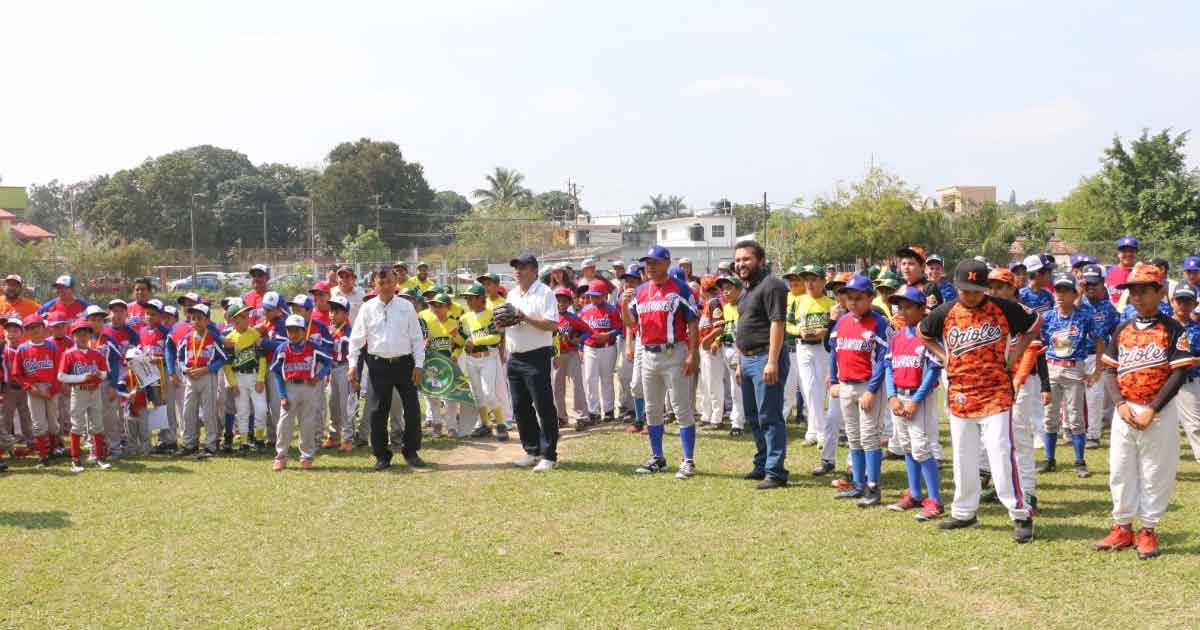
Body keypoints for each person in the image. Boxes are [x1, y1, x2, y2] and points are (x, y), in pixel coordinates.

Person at [919, 258, 1037, 543]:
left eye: (976, 290)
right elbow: (924, 333)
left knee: (1000, 452)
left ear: (985, 288)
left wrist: (1015, 355)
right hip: (961, 393)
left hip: (996, 392)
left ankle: (1020, 514)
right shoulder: (945, 311)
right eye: (965, 290)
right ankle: (964, 512)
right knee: (963, 455)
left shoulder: (1004, 308)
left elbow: (1034, 324)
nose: (970, 296)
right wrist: (945, 358)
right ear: (956, 286)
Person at [1092, 264, 1192, 559]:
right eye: (1132, 291)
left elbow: (1178, 374)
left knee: (1155, 471)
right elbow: (1110, 371)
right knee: (1120, 469)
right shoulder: (1123, 328)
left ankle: (1148, 529)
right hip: (1126, 409)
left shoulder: (1173, 329)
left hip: (1158, 411)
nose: (1137, 296)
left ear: (1160, 293)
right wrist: (1120, 404)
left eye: (1144, 291)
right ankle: (1122, 527)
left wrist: (1153, 409)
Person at [621, 245, 699, 479]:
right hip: (648, 354)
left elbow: (692, 322)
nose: (650, 266)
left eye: (655, 262)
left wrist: (693, 353)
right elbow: (631, 323)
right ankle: (658, 458)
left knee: (681, 407)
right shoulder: (640, 291)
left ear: (667, 263)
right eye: (648, 262)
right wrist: (624, 305)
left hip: (674, 352)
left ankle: (688, 460)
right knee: (652, 408)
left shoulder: (681, 288)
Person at [347, 268, 426, 471]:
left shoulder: (406, 307)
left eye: (390, 282)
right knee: (377, 412)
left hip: (404, 364)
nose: (386, 286)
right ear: (374, 284)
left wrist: (419, 365)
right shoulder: (367, 308)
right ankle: (381, 455)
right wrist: (352, 365)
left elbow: (417, 338)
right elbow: (356, 339)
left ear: (396, 282)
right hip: (378, 365)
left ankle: (411, 452)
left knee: (412, 409)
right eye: (381, 283)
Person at [732, 240, 790, 489]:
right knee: (753, 417)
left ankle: (775, 472)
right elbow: (743, 327)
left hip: (765, 358)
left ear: (761, 261)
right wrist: (739, 363)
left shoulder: (772, 285)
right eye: (737, 260)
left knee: (769, 416)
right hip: (747, 360)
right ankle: (762, 463)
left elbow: (778, 323)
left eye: (746, 259)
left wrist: (772, 361)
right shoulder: (746, 290)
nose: (741, 264)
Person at [828, 275, 890, 507]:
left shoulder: (879, 322)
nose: (853, 302)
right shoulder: (842, 321)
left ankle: (873, 487)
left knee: (869, 437)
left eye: (859, 298)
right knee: (853, 437)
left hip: (867, 386)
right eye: (849, 297)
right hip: (846, 385)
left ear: (870, 298)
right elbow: (834, 352)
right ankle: (857, 484)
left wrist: (872, 390)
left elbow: (883, 360)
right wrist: (833, 380)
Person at [884, 287, 944, 519]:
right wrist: (891, 396)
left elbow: (933, 371)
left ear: (922, 309)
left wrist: (916, 400)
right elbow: (888, 367)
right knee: (907, 446)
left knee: (921, 447)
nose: (903, 311)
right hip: (899, 396)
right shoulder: (897, 337)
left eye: (909, 307)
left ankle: (935, 501)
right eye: (900, 307)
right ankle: (915, 494)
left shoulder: (927, 336)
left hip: (921, 398)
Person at [1038, 274, 1103, 478]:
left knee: (1075, 417)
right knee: (1050, 416)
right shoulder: (1048, 316)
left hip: (1074, 368)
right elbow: (1039, 344)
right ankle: (1049, 459)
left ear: (1075, 294)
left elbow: (1099, 339)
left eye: (1065, 291)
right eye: (1057, 290)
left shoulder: (1084, 315)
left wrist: (1098, 369)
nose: (1060, 295)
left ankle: (1079, 461)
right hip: (1052, 367)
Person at [500, 253, 560, 473]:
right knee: (520, 407)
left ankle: (549, 455)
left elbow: (552, 324)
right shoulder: (512, 293)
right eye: (516, 267)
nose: (518, 271)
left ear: (534, 271)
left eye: (523, 267)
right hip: (515, 357)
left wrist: (524, 317)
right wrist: (503, 323)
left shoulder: (545, 293)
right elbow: (507, 321)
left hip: (537, 356)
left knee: (543, 406)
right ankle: (532, 450)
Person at [269, 314, 333, 470]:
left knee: (307, 423)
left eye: (297, 330)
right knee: (284, 424)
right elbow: (277, 372)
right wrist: (282, 395)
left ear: (304, 331)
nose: (293, 334)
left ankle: (306, 456)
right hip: (289, 387)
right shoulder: (282, 348)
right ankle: (281, 457)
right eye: (290, 330)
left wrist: (319, 376)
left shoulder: (313, 348)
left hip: (308, 388)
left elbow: (328, 362)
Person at [58, 320, 113, 472]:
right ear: (73, 336)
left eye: (85, 333)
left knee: (97, 424)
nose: (82, 337)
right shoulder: (69, 354)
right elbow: (61, 376)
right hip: (79, 391)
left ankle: (99, 457)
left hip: (95, 391)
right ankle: (75, 460)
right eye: (79, 334)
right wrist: (83, 377)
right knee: (77, 425)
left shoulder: (96, 353)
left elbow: (105, 374)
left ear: (90, 335)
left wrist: (98, 373)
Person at [176, 303, 227, 458]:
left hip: (207, 377)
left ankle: (211, 445)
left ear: (207, 320)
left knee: (208, 412)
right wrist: (184, 368)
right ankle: (189, 444)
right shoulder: (187, 338)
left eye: (200, 318)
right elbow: (180, 358)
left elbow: (223, 358)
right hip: (190, 378)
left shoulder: (212, 338)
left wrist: (207, 369)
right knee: (188, 411)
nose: (196, 321)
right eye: (193, 318)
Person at [458, 283, 509, 441]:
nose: (468, 301)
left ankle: (501, 424)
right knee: (478, 395)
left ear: (481, 298)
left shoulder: (491, 314)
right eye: (467, 298)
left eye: (471, 298)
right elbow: (461, 339)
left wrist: (475, 341)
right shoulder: (465, 318)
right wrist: (454, 338)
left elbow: (496, 337)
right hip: (471, 359)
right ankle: (485, 425)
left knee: (488, 393)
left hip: (488, 358)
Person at [1080, 264, 1120, 449]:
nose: (1090, 287)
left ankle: (1093, 435)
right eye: (1087, 283)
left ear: (1103, 284)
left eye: (1094, 283)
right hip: (1074, 357)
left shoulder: (1108, 308)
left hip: (1096, 357)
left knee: (1095, 397)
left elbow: (1116, 334)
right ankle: (1071, 431)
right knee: (1072, 397)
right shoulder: (1077, 304)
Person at [14, 315, 61, 467]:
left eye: (37, 327)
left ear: (44, 328)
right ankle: (43, 455)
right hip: (33, 389)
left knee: (53, 423)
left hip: (51, 387)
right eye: (30, 328)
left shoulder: (52, 347)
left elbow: (59, 370)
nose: (35, 330)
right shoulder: (22, 349)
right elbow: (17, 373)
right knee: (39, 424)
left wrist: (53, 389)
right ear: (26, 331)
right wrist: (30, 387)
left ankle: (52, 451)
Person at [223, 303, 267, 454]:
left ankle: (259, 439)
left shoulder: (254, 334)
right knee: (242, 412)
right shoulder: (230, 338)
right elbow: (227, 365)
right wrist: (233, 384)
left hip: (254, 376)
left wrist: (260, 379)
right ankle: (244, 443)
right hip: (238, 377)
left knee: (261, 409)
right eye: (241, 317)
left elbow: (262, 359)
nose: (246, 319)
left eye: (246, 316)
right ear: (233, 320)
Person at [578, 279, 624, 424]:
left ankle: (609, 411)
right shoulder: (585, 310)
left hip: (607, 348)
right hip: (590, 348)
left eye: (597, 296)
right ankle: (594, 411)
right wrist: (580, 348)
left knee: (606, 380)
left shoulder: (612, 310)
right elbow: (580, 331)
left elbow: (619, 329)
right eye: (591, 296)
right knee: (589, 379)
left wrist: (608, 335)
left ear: (604, 295)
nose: (593, 298)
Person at [1168, 286, 1200, 462]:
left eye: (1188, 301)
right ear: (1172, 302)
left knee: (1195, 424)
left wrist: (1196, 361)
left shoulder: (1198, 329)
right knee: (1162, 422)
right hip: (1163, 381)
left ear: (1194, 304)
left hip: (1188, 381)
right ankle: (1163, 456)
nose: (1183, 305)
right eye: (1180, 300)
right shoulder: (1162, 326)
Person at [553, 286, 592, 431]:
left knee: (577, 385)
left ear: (570, 302)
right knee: (557, 386)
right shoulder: (550, 318)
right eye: (558, 300)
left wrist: (579, 339)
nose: (561, 303)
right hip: (556, 355)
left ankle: (582, 417)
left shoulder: (573, 318)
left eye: (564, 301)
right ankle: (561, 417)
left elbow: (588, 331)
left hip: (571, 354)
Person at [325, 296, 357, 449]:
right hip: (332, 369)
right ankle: (334, 435)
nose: (332, 315)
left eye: (336, 312)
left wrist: (334, 334)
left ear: (346, 314)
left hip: (344, 368)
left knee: (346, 405)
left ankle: (348, 437)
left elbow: (350, 347)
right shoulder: (330, 328)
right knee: (333, 404)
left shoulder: (349, 330)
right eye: (331, 311)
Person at [714, 275, 745, 435]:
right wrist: (717, 340)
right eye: (723, 289)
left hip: (739, 349)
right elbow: (726, 330)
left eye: (729, 288)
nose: (725, 292)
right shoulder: (726, 308)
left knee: (736, 388)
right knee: (732, 386)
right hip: (726, 349)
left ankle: (738, 422)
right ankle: (739, 417)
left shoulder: (743, 307)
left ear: (739, 290)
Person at [697, 275, 726, 430]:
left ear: (704, 289)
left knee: (714, 384)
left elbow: (720, 327)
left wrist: (709, 340)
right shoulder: (707, 304)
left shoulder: (714, 302)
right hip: (705, 349)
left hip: (712, 349)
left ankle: (716, 418)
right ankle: (706, 415)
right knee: (705, 384)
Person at [1104, 236, 1140, 304]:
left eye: (1131, 251)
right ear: (1118, 254)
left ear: (1136, 253)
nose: (1128, 254)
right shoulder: (1107, 272)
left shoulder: (1142, 273)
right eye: (1124, 251)